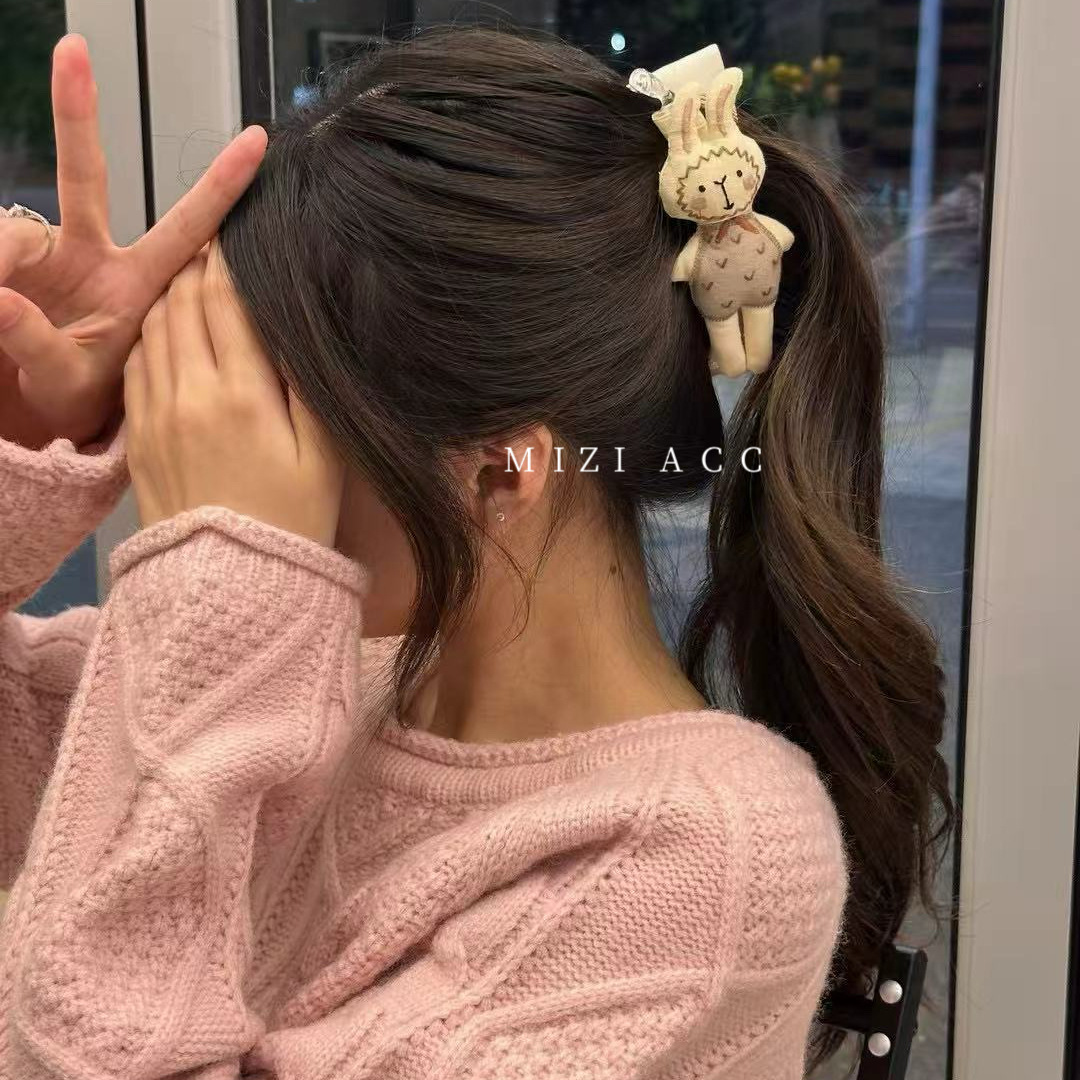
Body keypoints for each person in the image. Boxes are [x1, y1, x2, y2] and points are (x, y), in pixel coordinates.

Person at [0, 28, 952, 1079]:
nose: (201, 445)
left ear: (500, 473)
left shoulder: (707, 855)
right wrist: (26, 439)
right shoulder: (321, 679)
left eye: (264, 412)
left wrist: (222, 585)